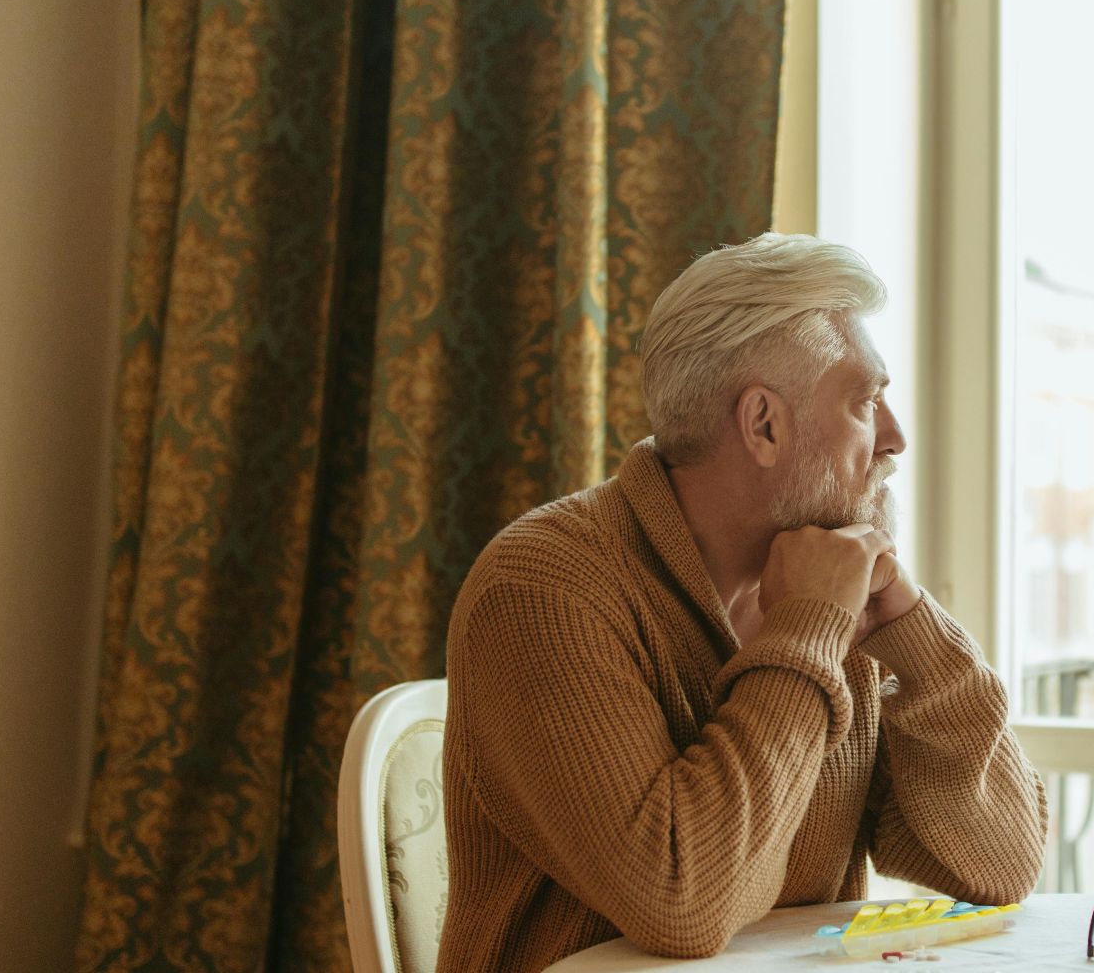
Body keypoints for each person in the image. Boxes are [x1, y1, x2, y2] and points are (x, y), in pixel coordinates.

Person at [436, 234, 1048, 970]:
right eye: (866, 402)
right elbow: (682, 902)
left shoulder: (831, 589)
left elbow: (998, 868)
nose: (895, 439)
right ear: (763, 424)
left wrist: (915, 634)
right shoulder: (543, 588)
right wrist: (807, 632)